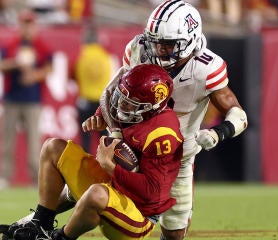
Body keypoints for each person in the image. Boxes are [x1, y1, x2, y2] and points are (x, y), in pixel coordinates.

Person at [1, 1, 248, 239]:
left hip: (173, 159)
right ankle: (40, 223)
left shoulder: (205, 68)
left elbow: (238, 114)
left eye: (167, 45)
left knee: (174, 232)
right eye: (155, 43)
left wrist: (219, 133)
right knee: (91, 182)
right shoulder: (140, 48)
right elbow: (122, 91)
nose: (158, 50)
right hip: (132, 143)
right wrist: (103, 116)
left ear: (190, 40)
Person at [0, 64, 184, 240]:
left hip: (137, 214)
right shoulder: (137, 108)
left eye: (129, 104)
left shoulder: (162, 135)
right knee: (53, 147)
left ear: (149, 107)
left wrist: (109, 167)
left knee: (96, 193)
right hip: (112, 187)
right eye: (121, 99)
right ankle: (40, 225)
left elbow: (153, 193)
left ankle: (62, 237)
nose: (121, 106)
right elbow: (111, 104)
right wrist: (98, 116)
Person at [0, 9, 53, 189]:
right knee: (7, 141)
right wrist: (15, 63)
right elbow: (2, 65)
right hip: (12, 98)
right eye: (24, 23)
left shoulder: (41, 45)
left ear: (34, 25)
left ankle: (35, 178)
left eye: (29, 24)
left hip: (32, 99)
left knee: (33, 142)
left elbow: (49, 68)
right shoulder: (11, 44)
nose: (27, 27)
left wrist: (34, 76)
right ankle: (5, 177)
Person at [73, 22, 114, 152]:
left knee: (85, 140)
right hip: (101, 103)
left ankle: (86, 170)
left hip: (85, 101)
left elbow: (73, 74)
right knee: (104, 139)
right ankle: (105, 169)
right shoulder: (105, 56)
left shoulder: (80, 55)